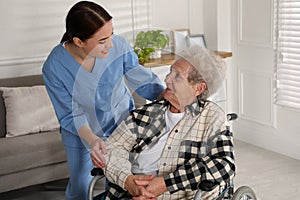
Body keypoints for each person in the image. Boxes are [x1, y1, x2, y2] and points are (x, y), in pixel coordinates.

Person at [42, 1, 165, 199]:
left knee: (122, 184)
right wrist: (92, 140)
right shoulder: (54, 67)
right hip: (82, 134)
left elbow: (142, 80)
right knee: (81, 189)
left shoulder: (118, 46)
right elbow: (69, 114)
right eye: (102, 41)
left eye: (111, 35)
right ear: (79, 42)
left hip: (122, 125)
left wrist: (167, 96)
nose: (111, 44)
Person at [102, 45, 235, 199]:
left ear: (198, 88)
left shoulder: (212, 117)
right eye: (170, 71)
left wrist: (166, 183)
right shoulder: (147, 113)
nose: (166, 79)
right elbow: (112, 147)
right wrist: (128, 181)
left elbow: (224, 163)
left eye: (177, 76)